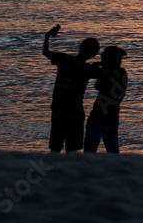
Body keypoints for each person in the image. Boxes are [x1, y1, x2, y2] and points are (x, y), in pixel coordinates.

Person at [42, 24, 100, 152]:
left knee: (55, 149)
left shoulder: (63, 59)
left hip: (58, 109)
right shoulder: (88, 69)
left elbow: (45, 52)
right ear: (94, 54)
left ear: (80, 47)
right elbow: (104, 74)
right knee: (72, 150)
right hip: (75, 112)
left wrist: (47, 36)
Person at [84, 46, 129, 154]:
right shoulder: (123, 73)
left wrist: (97, 67)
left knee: (89, 155)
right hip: (113, 120)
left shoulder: (106, 74)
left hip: (97, 119)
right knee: (114, 155)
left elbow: (97, 86)